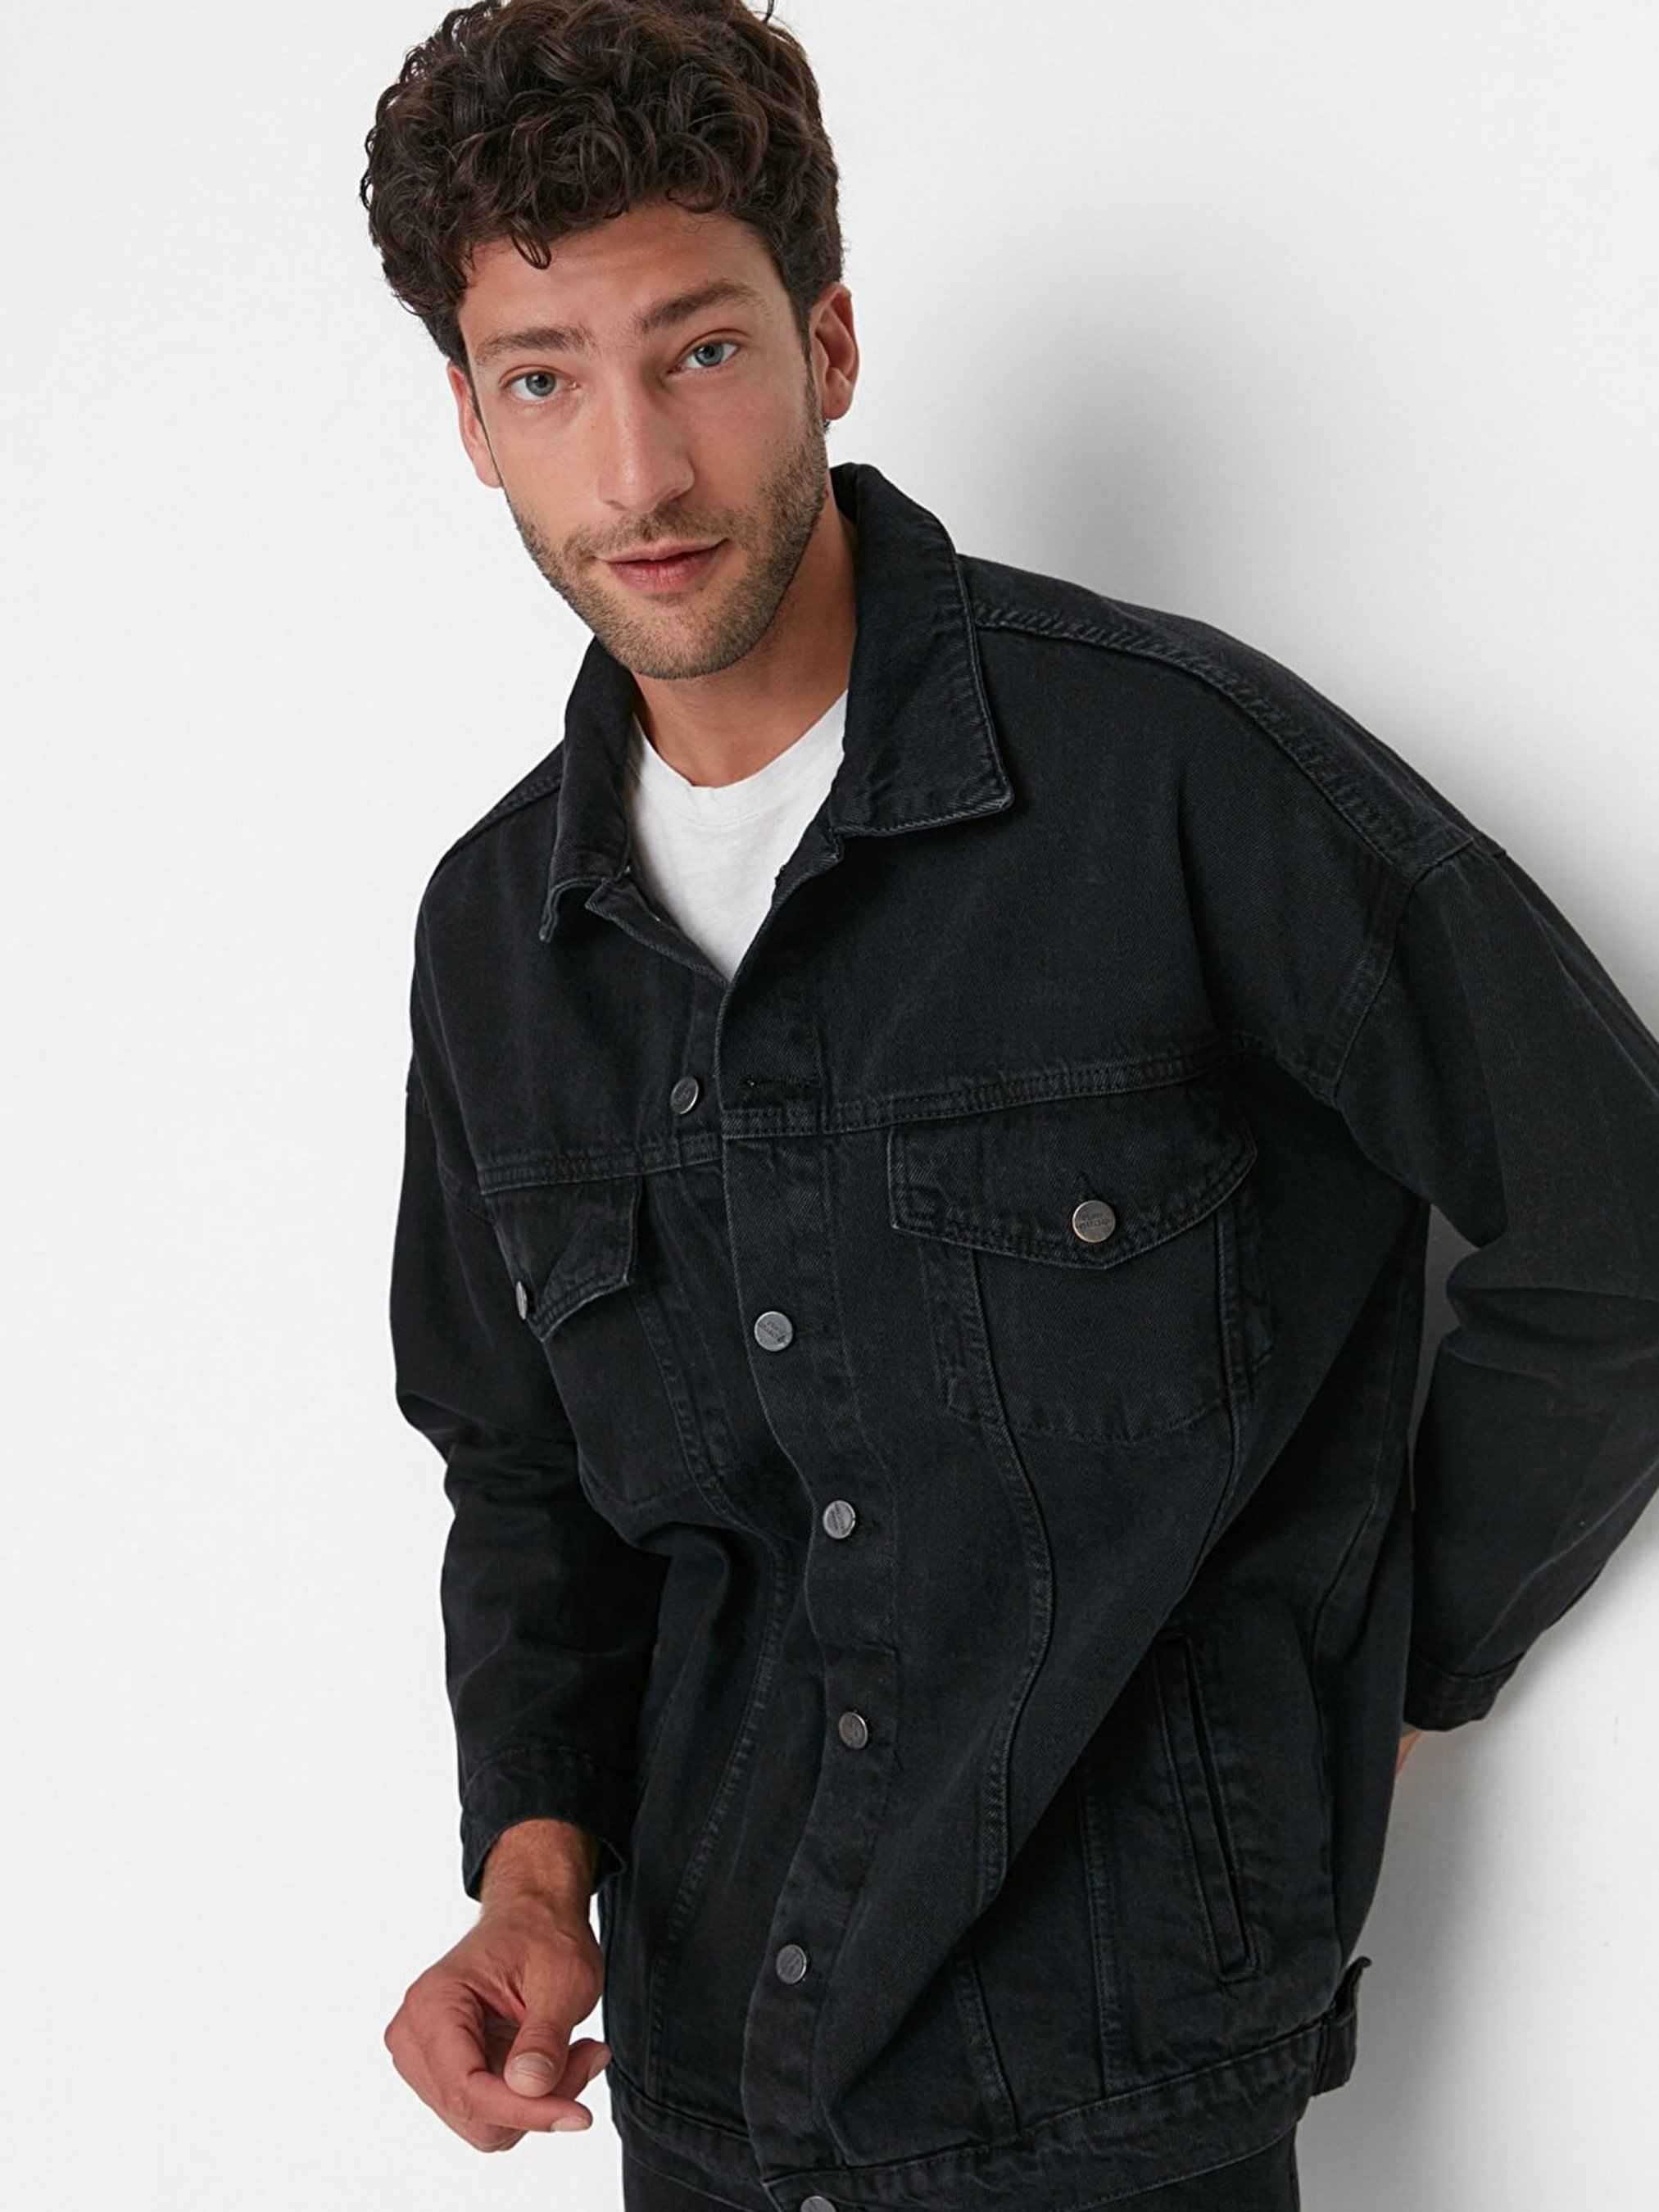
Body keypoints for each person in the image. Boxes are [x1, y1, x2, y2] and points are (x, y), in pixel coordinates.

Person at [362, 5, 1659, 2208]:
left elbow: (1616, 1218)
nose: (639, 474)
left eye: (700, 350)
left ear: (829, 344)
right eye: (545, 378)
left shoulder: (1176, 776)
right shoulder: (502, 930)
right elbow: (520, 1469)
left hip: (1116, 2093)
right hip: (705, 2091)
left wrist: (1372, 1658)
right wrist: (529, 1869)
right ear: (473, 422)